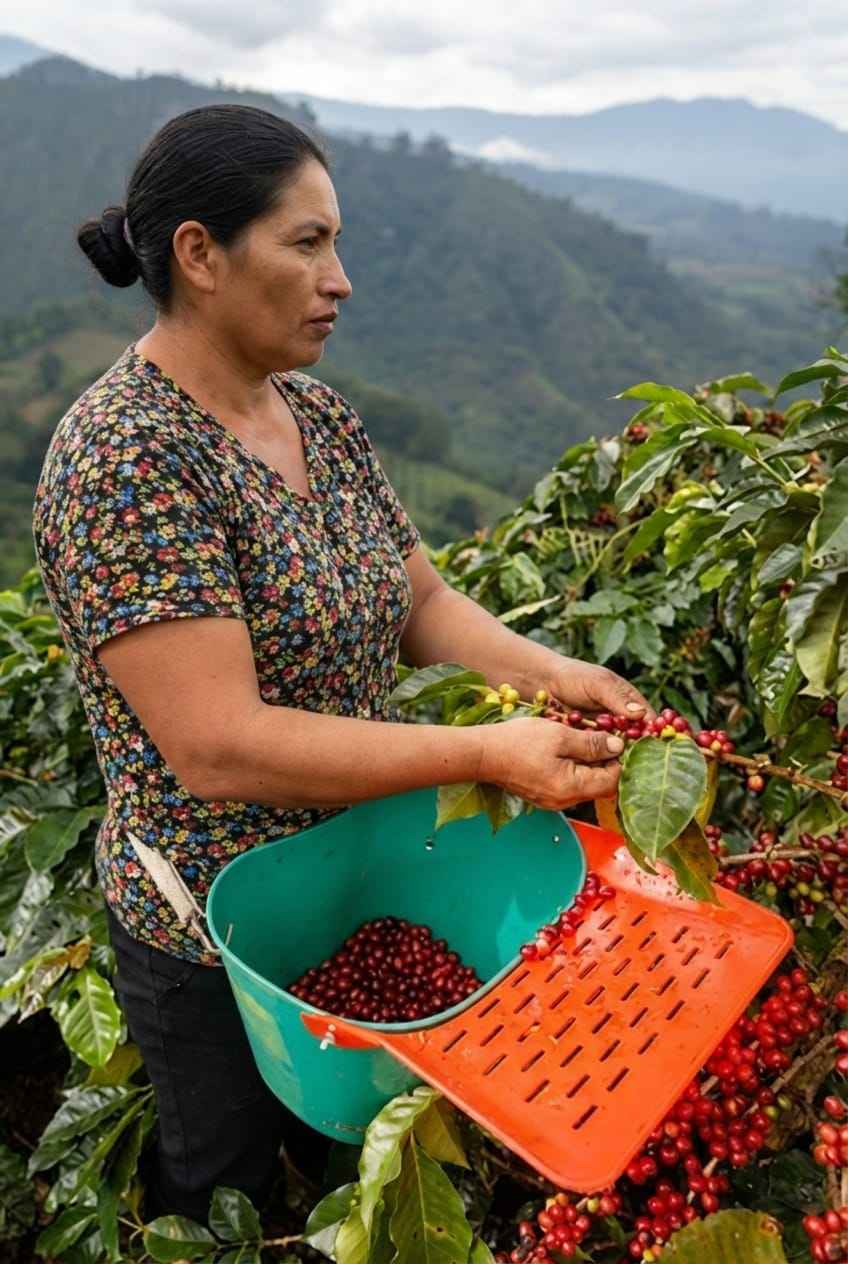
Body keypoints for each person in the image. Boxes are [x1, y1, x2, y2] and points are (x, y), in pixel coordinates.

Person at [32, 103, 654, 1222]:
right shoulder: (125, 457)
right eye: (308, 243)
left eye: (337, 244)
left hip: (363, 876)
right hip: (221, 930)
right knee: (223, 1186)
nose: (342, 280)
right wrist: (485, 751)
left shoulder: (316, 415)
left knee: (359, 1172)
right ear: (199, 254)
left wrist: (549, 672)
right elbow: (216, 744)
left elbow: (417, 598)